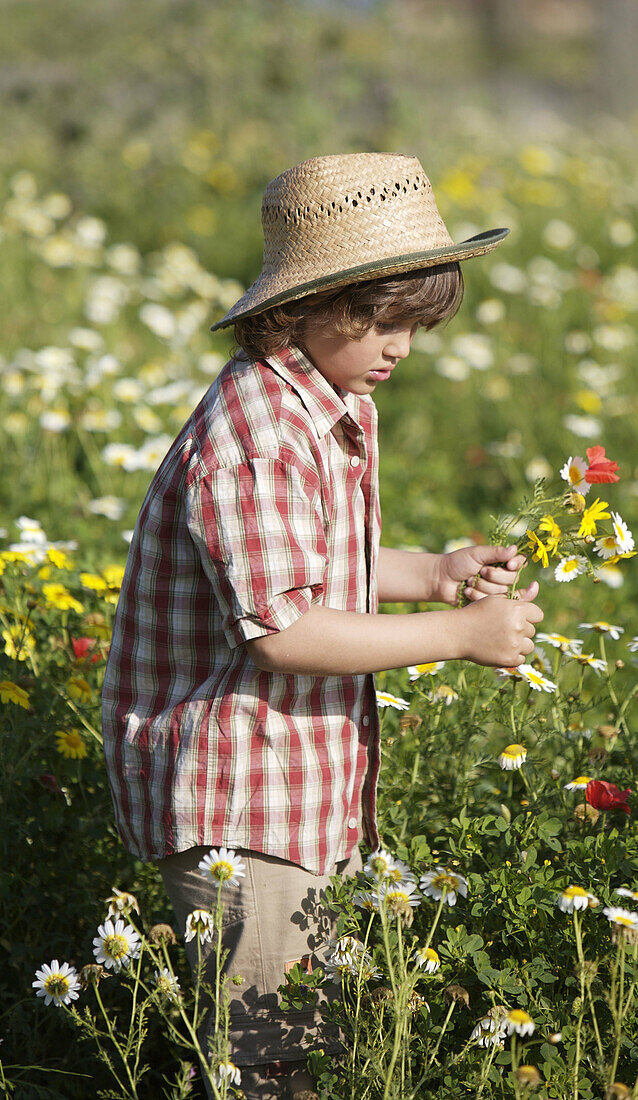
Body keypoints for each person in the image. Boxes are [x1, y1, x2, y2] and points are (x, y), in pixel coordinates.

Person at [101, 152, 543, 1099]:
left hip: (292, 786)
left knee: (311, 1032)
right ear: (293, 307)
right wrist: (461, 636)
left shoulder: (330, 401)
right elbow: (285, 630)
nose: (399, 348)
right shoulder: (257, 435)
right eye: (377, 321)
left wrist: (433, 573)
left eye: (413, 325)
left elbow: (310, 564)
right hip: (238, 798)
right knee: (269, 1054)